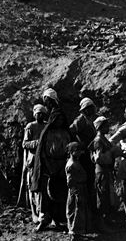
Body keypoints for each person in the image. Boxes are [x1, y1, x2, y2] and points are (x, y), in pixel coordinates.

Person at [33, 90, 72, 231]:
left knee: (59, 192)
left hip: (61, 166)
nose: (59, 121)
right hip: (49, 166)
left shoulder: (65, 133)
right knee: (45, 194)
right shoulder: (48, 132)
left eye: (48, 101)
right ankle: (44, 219)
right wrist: (49, 166)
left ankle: (59, 219)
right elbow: (43, 151)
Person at [70, 97, 98, 225]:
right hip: (84, 155)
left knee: (91, 183)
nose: (91, 110)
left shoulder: (90, 120)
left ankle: (91, 215)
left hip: (89, 154)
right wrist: (79, 145)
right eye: (88, 108)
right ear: (84, 109)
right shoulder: (80, 120)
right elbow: (71, 131)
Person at [90, 116, 121, 226]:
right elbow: (98, 158)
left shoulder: (104, 139)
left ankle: (107, 221)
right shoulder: (98, 140)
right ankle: (101, 223)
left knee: (108, 196)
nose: (108, 127)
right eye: (106, 126)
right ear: (100, 127)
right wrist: (111, 152)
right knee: (102, 196)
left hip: (106, 170)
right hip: (102, 171)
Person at [22, 104, 49, 224]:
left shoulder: (47, 125)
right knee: (33, 186)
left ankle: (45, 212)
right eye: (38, 113)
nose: (40, 116)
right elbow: (25, 143)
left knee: (45, 186)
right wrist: (37, 143)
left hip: (45, 159)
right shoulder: (30, 126)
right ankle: (35, 213)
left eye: (42, 114)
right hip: (33, 161)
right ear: (34, 114)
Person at [65, 142, 89, 241]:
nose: (79, 153)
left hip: (80, 188)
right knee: (74, 210)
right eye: (77, 151)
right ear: (71, 152)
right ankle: (73, 232)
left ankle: (78, 231)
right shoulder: (71, 165)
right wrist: (75, 192)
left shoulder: (76, 162)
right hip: (76, 190)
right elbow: (70, 181)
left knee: (79, 211)